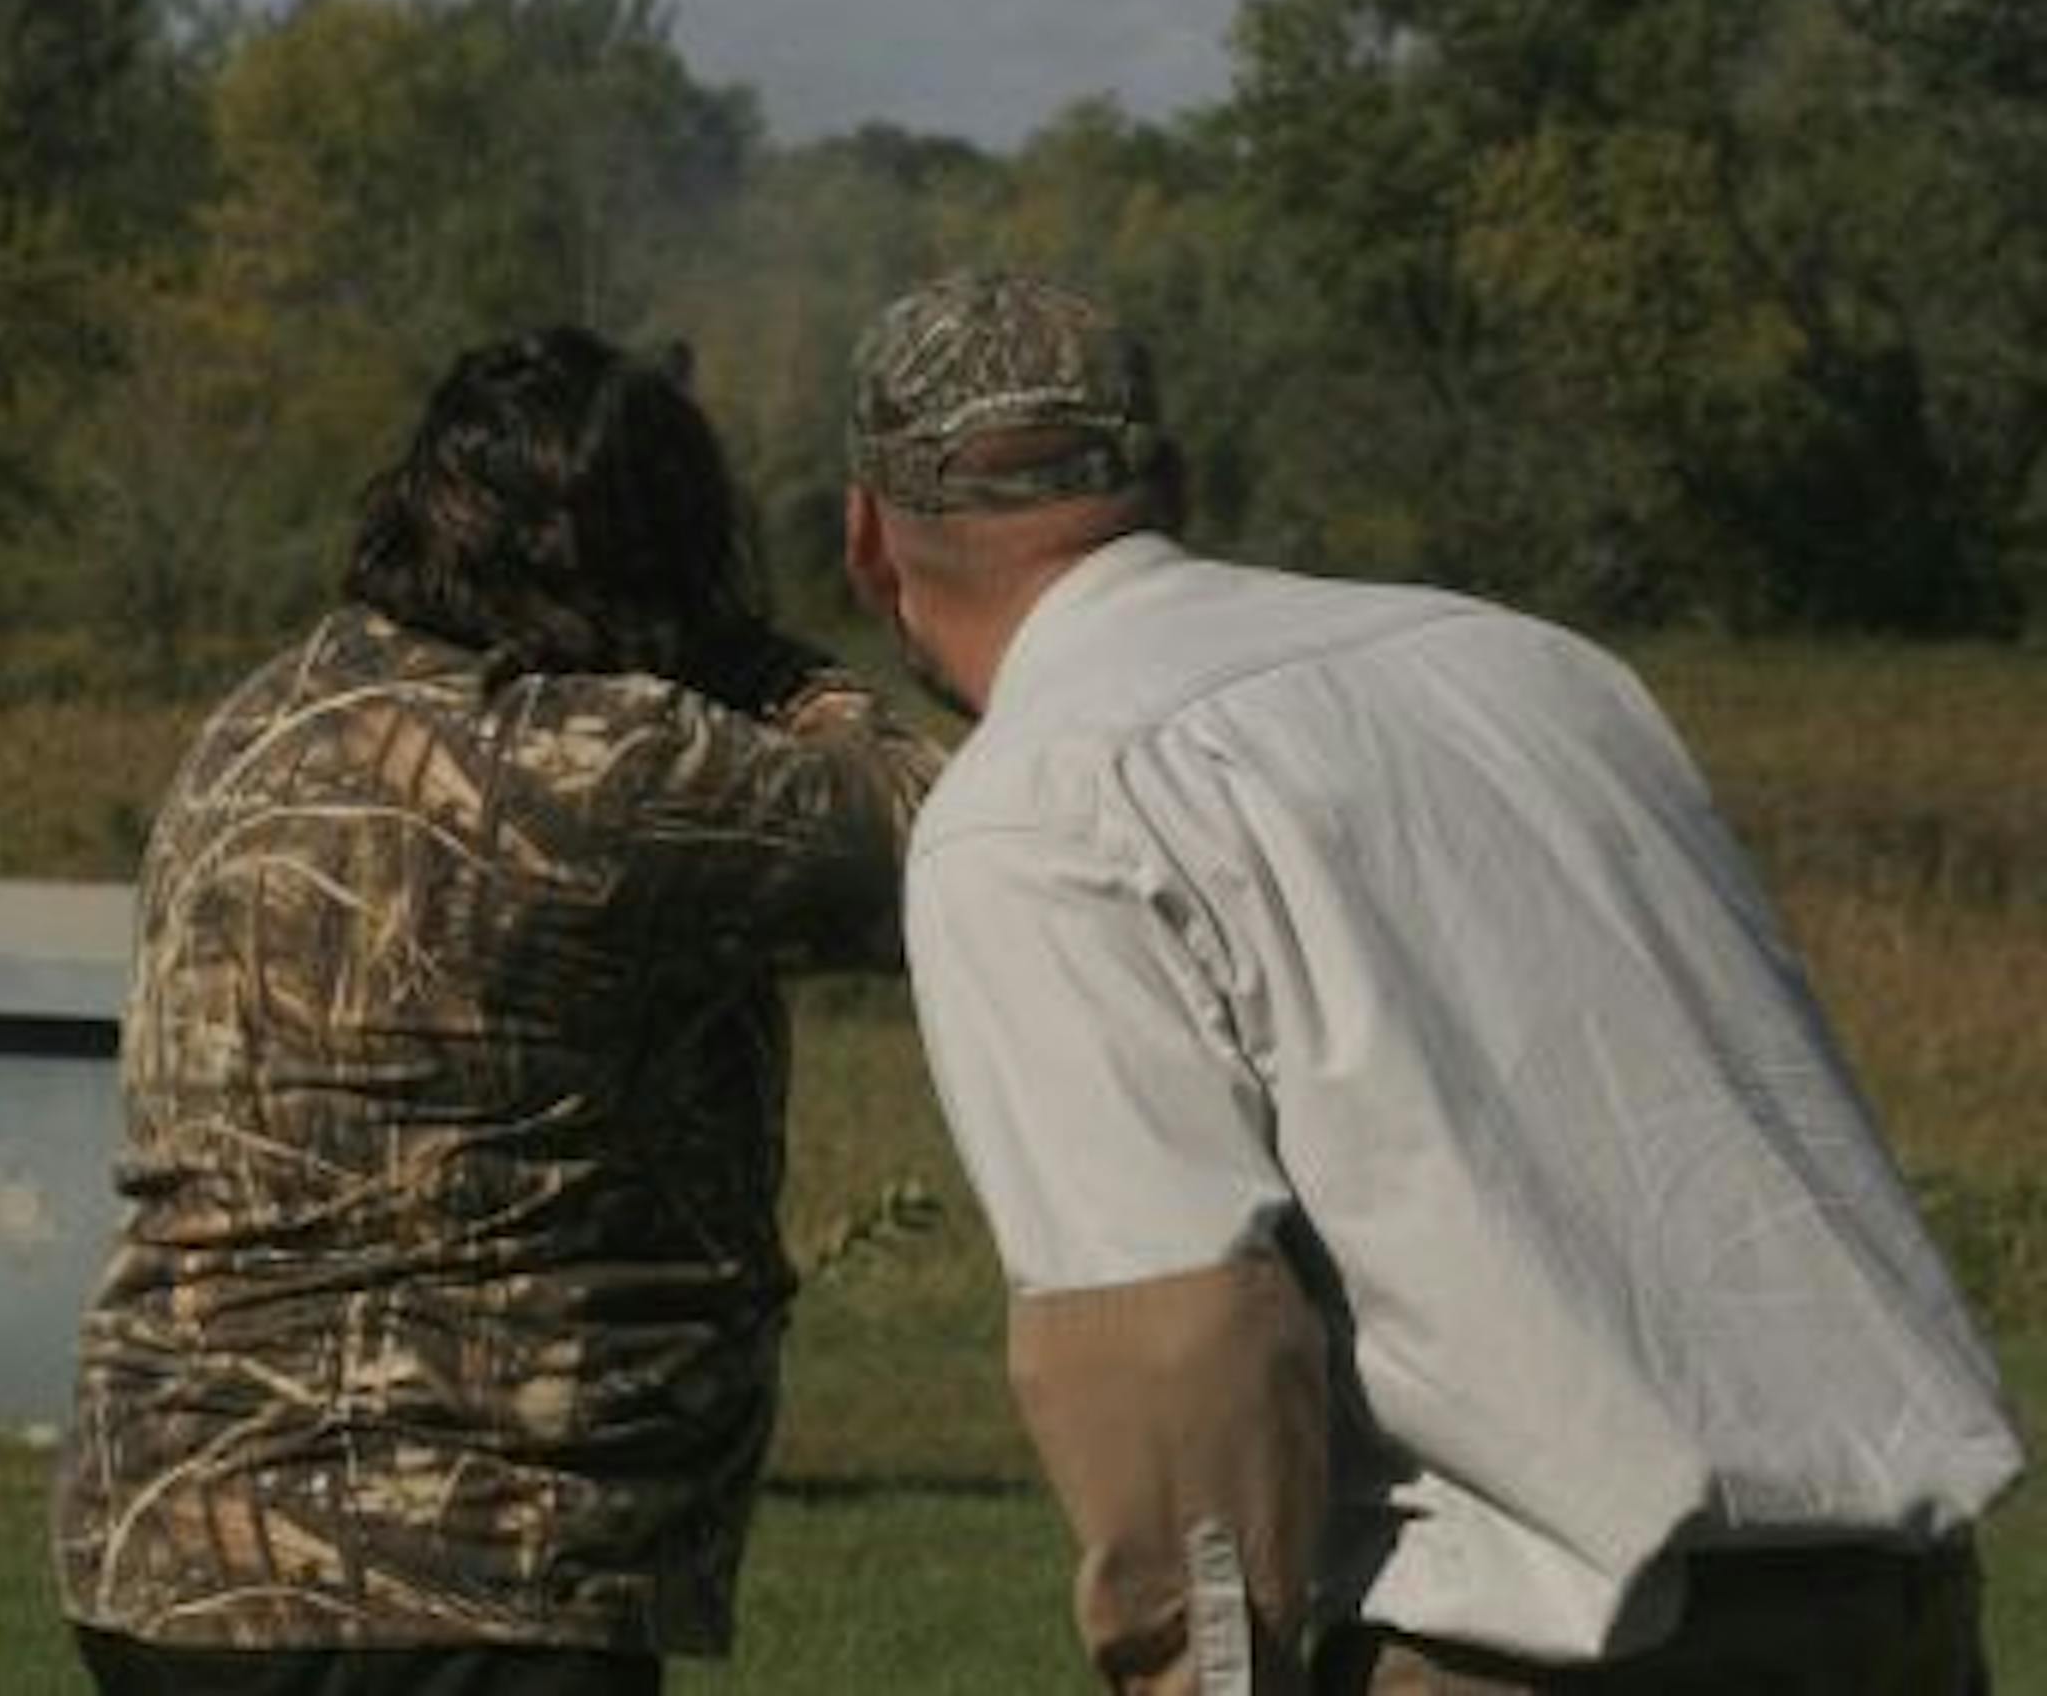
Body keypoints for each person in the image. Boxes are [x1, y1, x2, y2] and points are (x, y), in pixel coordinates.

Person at [842, 269, 2025, 1696]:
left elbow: (1175, 1348)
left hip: (1532, 1648)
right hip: (1892, 1607)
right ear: (1178, 482)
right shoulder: (1538, 670)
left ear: (867, 540)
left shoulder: (1036, 807)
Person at [56, 323, 943, 1696]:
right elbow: (948, 843)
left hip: (169, 1550)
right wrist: (776, 671)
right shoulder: (601, 764)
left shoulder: (268, 717)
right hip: (464, 1573)